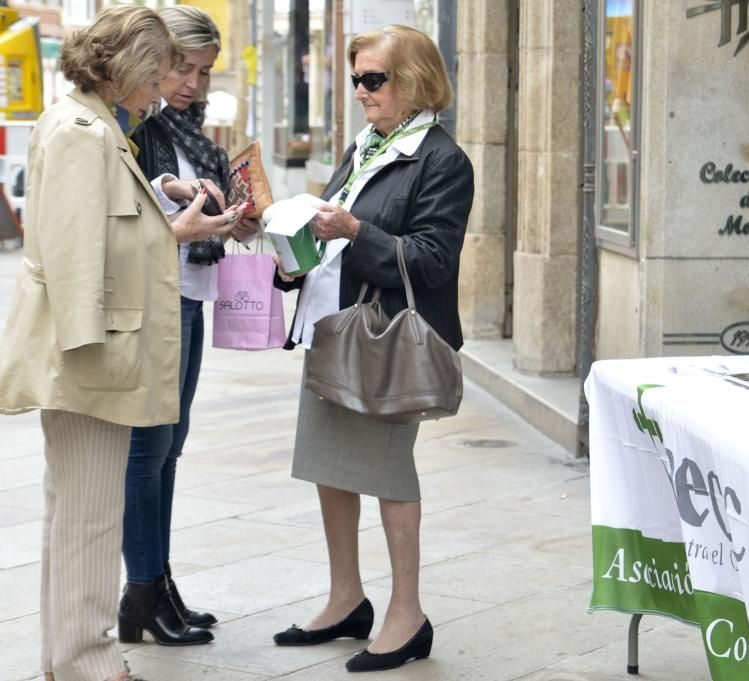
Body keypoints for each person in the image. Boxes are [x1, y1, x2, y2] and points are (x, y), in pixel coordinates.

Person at [0, 6, 241, 681]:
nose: (164, 90)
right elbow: (82, 256)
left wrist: (163, 204)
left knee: (75, 513)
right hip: (91, 354)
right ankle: (88, 658)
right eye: (160, 75)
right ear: (131, 67)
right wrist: (176, 236)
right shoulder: (84, 131)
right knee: (91, 516)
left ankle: (66, 652)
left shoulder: (92, 122)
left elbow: (102, 229)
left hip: (88, 350)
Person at [271, 24, 474, 673]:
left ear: (415, 81)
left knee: (387, 473)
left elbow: (434, 261)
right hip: (336, 329)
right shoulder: (367, 146)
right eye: (356, 78)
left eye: (373, 79)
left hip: (389, 340)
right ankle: (345, 598)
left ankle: (407, 614)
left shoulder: (442, 160)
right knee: (330, 464)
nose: (360, 91)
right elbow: (327, 234)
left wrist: (357, 229)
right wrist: (287, 246)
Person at [117, 4, 254, 647]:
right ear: (154, 60)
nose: (193, 85)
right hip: (154, 301)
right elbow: (141, 206)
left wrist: (240, 217)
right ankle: (141, 592)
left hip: (191, 297)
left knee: (169, 453)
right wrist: (180, 201)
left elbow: (202, 205)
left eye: (203, 72)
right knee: (146, 455)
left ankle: (158, 584)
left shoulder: (194, 130)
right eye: (182, 69)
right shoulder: (135, 125)